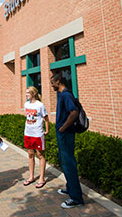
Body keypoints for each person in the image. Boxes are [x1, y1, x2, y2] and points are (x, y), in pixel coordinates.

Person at [51, 73, 84, 209]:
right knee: (65, 162)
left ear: (58, 81)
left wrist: (63, 128)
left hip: (66, 134)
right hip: (63, 134)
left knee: (69, 163)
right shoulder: (62, 95)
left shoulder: (66, 95)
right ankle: (70, 188)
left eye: (52, 82)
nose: (51, 85)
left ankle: (76, 198)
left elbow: (74, 112)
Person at [23, 86, 49, 188]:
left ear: (33, 94)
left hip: (37, 134)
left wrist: (47, 130)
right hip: (28, 133)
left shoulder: (40, 105)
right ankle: (31, 177)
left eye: (28, 93)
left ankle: (41, 178)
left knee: (40, 155)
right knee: (30, 154)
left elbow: (46, 118)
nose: (26, 95)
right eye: (26, 93)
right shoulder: (26, 104)